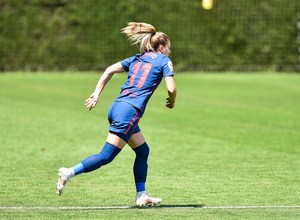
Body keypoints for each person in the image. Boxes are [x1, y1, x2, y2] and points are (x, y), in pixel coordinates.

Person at [56, 22, 177, 207]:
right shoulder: (164, 60)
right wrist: (172, 101)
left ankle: (141, 195)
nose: (170, 51)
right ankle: (69, 172)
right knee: (106, 156)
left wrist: (96, 94)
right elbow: (171, 88)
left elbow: (109, 69)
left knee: (143, 151)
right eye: (169, 47)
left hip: (117, 107)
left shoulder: (138, 58)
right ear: (161, 47)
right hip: (129, 112)